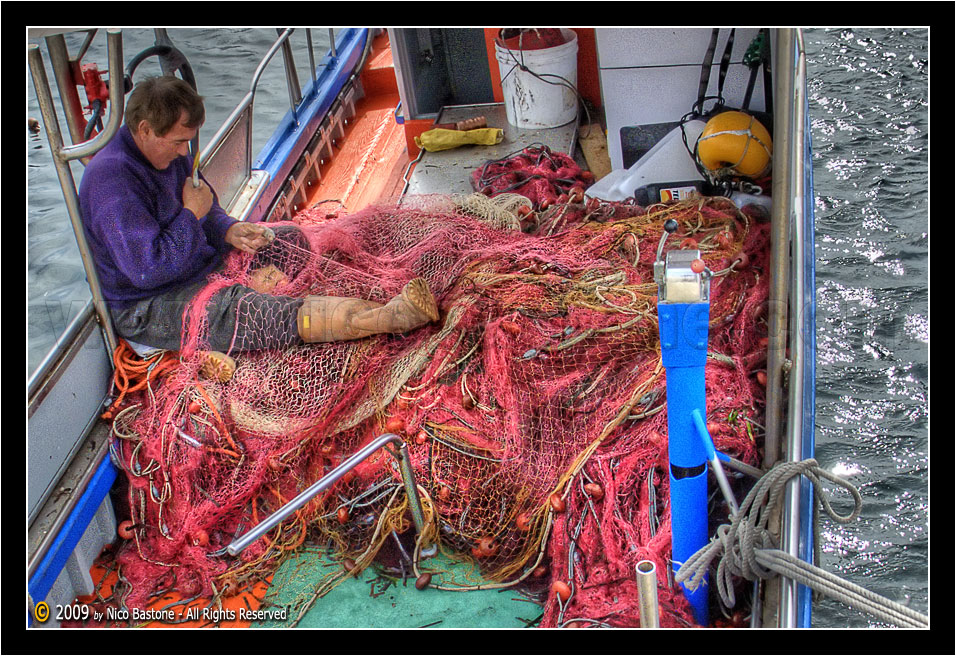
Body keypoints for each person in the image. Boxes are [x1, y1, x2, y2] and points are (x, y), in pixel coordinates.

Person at [78, 76, 438, 380]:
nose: (183, 151)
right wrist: (191, 214)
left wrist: (230, 230)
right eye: (177, 142)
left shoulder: (169, 154)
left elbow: (209, 210)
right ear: (144, 130)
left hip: (198, 267)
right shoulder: (112, 182)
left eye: (187, 142)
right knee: (245, 309)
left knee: (287, 240)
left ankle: (214, 342)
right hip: (150, 303)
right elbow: (148, 269)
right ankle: (381, 318)